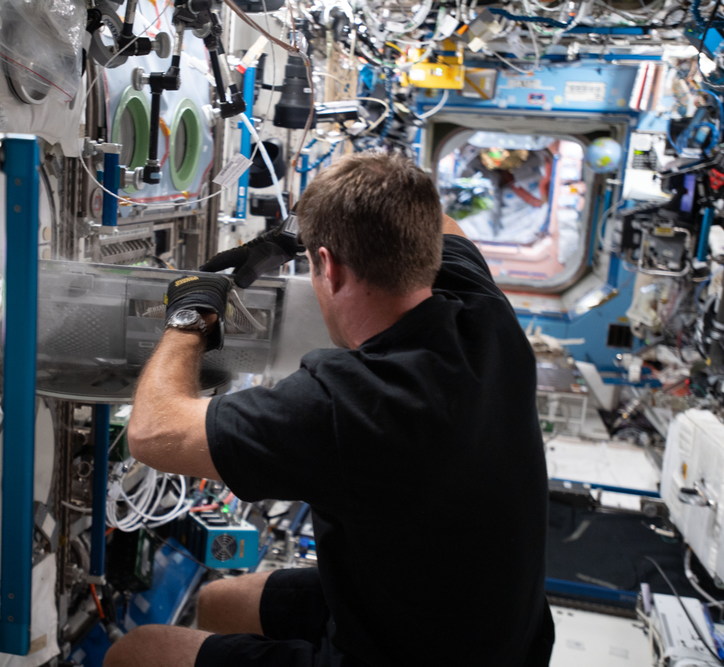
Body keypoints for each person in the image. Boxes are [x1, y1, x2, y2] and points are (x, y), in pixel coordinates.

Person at [103, 151, 554, 667]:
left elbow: (154, 432)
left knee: (139, 652)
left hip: (413, 657)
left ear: (330, 267)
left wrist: (190, 316)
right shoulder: (484, 313)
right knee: (218, 601)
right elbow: (444, 221)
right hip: (484, 626)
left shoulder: (351, 405)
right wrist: (305, 232)